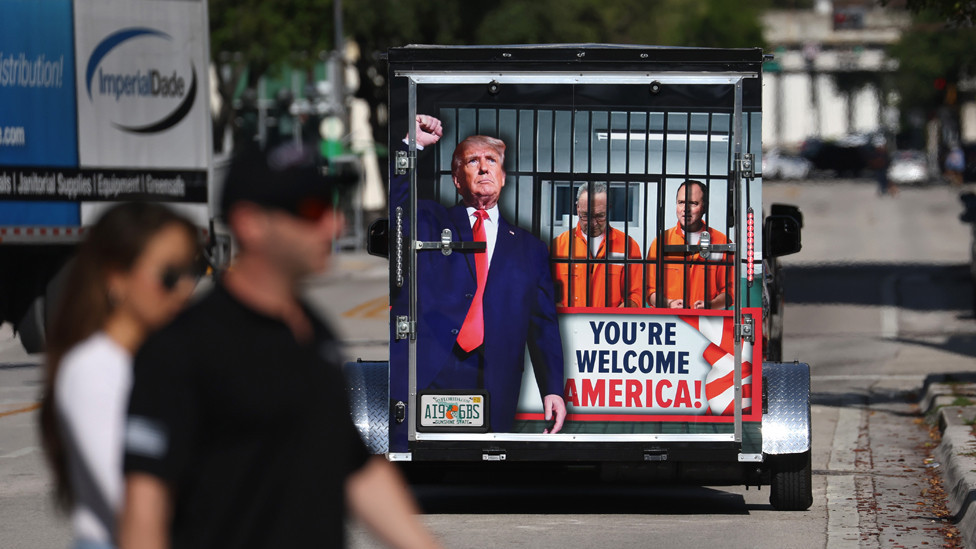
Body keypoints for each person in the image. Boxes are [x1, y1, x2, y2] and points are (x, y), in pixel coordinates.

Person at [119, 142, 442, 549]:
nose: (333, 226)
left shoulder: (312, 335)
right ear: (251, 223)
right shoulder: (181, 351)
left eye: (331, 207)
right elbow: (144, 511)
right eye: (310, 211)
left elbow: (357, 471)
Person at [389, 115, 566, 441]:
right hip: (434, 369)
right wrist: (412, 146)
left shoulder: (530, 247)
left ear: (503, 176)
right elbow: (398, 203)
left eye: (492, 161)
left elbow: (543, 324)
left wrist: (552, 389)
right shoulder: (431, 220)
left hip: (495, 374)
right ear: (457, 178)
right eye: (473, 161)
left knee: (489, 468)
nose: (484, 168)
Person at [39, 202, 200, 549]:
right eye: (169, 275)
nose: (186, 288)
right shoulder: (92, 369)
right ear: (117, 277)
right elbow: (136, 502)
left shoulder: (164, 360)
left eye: (193, 271)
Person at [551, 182, 642, 308]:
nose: (593, 223)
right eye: (586, 215)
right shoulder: (557, 247)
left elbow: (635, 295)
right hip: (568, 326)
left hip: (609, 326)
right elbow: (545, 293)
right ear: (577, 208)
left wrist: (615, 317)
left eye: (600, 216)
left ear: (608, 209)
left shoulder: (629, 246)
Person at [645, 180, 733, 309]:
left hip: (706, 324)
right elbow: (650, 290)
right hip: (670, 323)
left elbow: (730, 291)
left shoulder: (722, 242)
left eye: (693, 203)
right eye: (681, 203)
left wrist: (711, 305)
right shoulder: (660, 242)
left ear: (704, 207)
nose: (685, 209)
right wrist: (668, 304)